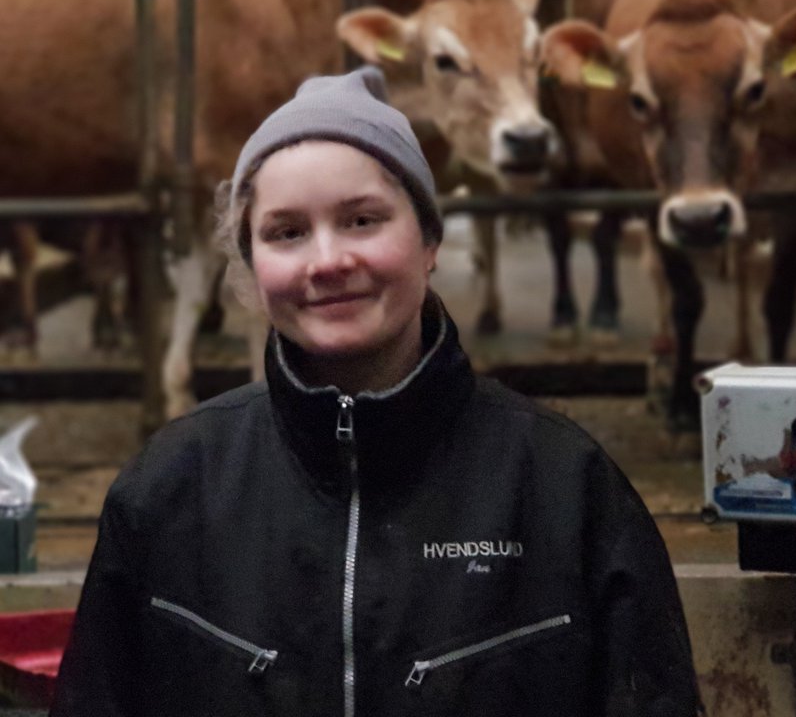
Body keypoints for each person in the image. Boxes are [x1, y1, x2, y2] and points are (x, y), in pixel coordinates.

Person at [51, 66, 703, 716]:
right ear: (252, 266)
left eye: (362, 220)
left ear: (428, 243)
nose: (328, 260)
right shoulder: (167, 490)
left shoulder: (565, 489)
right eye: (286, 232)